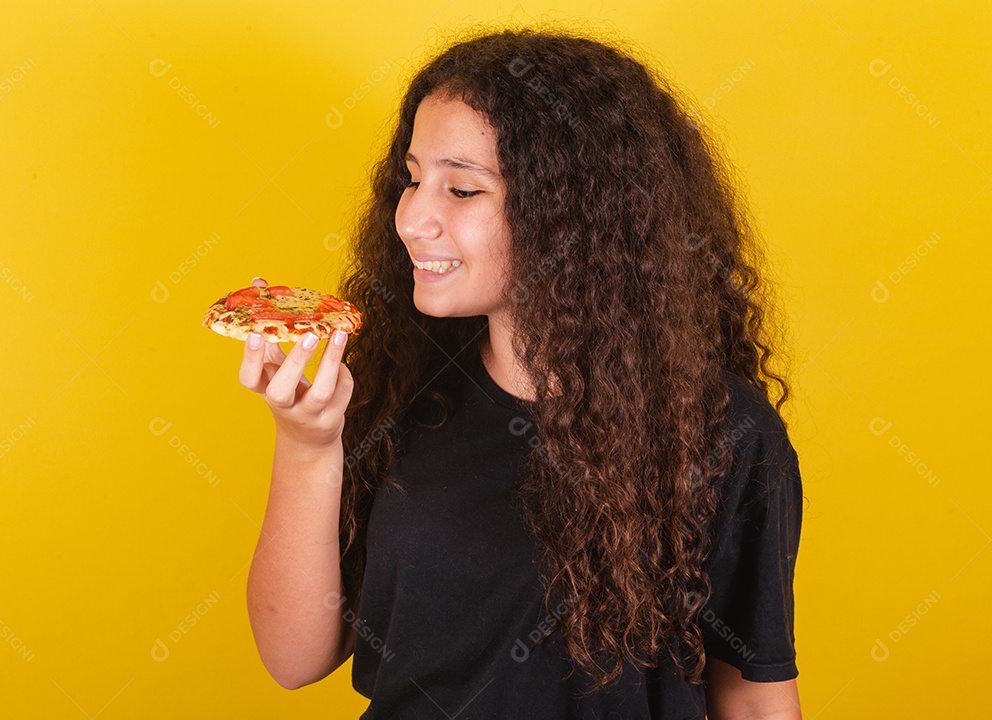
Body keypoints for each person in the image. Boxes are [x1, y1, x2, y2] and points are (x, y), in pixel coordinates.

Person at [239, 27, 805, 720]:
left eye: (463, 190)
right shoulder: (395, 388)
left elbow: (751, 694)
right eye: (413, 180)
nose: (413, 217)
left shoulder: (725, 432)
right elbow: (293, 659)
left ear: (573, 213)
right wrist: (307, 444)